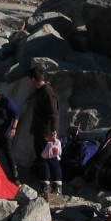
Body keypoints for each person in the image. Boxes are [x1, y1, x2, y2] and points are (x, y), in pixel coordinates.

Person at [28, 65, 62, 196]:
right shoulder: (42, 91)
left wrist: (53, 132)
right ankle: (45, 186)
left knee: (51, 158)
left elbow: (54, 113)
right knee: (42, 159)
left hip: (46, 133)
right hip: (40, 131)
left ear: (33, 79)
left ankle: (56, 187)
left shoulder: (47, 92)